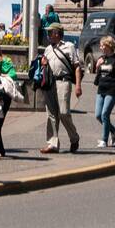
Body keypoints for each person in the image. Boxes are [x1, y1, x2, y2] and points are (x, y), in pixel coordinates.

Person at [40, 24, 82, 155]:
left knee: (63, 113)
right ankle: (53, 144)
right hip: (50, 83)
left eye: (50, 32)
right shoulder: (47, 49)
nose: (48, 35)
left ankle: (74, 137)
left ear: (57, 33)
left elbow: (77, 67)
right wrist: (43, 64)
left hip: (64, 81)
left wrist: (78, 85)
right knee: (51, 114)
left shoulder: (69, 46)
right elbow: (44, 65)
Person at [93, 35, 115, 147]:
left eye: (102, 45)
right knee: (98, 115)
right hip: (101, 89)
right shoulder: (101, 59)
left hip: (112, 90)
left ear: (108, 46)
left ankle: (104, 140)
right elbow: (97, 74)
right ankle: (113, 130)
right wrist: (97, 65)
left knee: (105, 114)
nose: (101, 47)